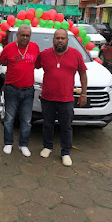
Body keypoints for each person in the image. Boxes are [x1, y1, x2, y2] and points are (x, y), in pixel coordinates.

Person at [35, 28, 87, 166]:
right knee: (47, 124)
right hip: (47, 98)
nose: (59, 40)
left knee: (66, 127)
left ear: (67, 40)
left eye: (62, 38)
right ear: (53, 40)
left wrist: (83, 93)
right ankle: (47, 146)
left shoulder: (76, 54)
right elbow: (31, 66)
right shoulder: (44, 55)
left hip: (66, 99)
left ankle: (65, 152)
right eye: (57, 38)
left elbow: (83, 74)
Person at [0, 25, 39, 156]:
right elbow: (1, 61)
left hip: (28, 90)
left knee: (26, 120)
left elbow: (38, 64)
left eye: (27, 35)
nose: (25, 37)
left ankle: (23, 145)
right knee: (9, 118)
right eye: (22, 35)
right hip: (11, 89)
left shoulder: (35, 47)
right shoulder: (9, 48)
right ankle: (8, 143)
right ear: (17, 36)